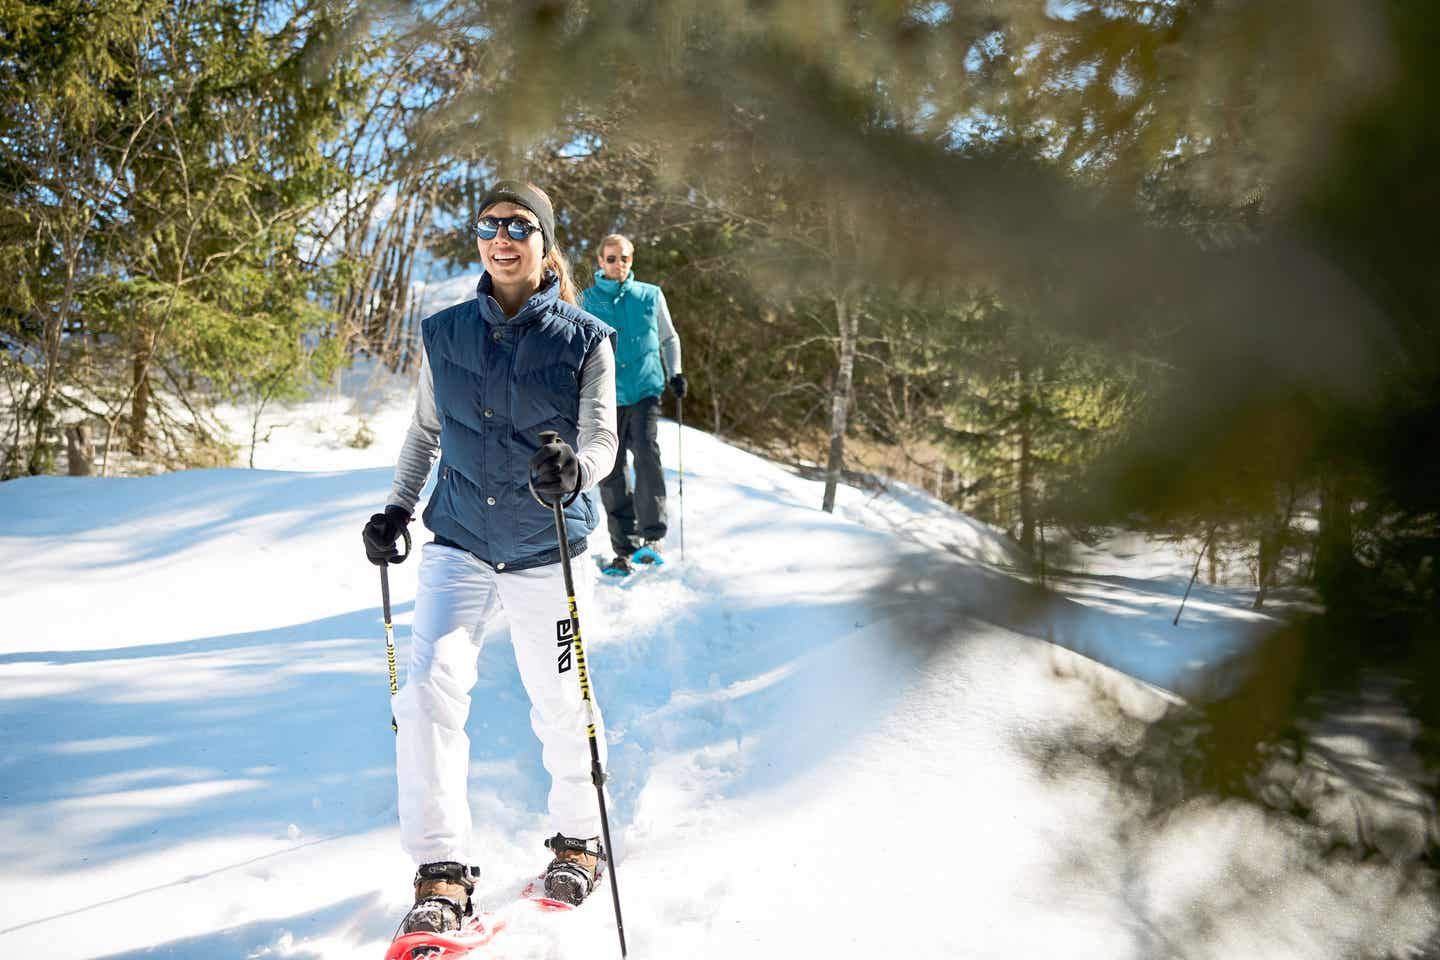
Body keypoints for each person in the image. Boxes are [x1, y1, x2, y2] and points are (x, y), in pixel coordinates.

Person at [360, 181, 619, 935]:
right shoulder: (444, 333)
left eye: (519, 226)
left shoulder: (584, 339)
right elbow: (424, 434)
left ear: (544, 244)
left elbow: (600, 437)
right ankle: (441, 873)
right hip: (462, 542)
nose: (501, 237)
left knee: (559, 697)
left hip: (548, 549)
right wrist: (396, 509)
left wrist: (578, 469)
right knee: (428, 693)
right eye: (488, 226)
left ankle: (580, 841)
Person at [579, 233, 685, 576]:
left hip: (644, 390)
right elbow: (575, 345)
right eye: (611, 258)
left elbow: (669, 337)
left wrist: (676, 373)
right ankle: (624, 546)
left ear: (631, 260)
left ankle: (653, 538)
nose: (618, 264)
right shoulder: (587, 300)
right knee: (611, 468)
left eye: (624, 258)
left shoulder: (650, 296)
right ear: (600, 262)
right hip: (606, 395)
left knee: (646, 453)